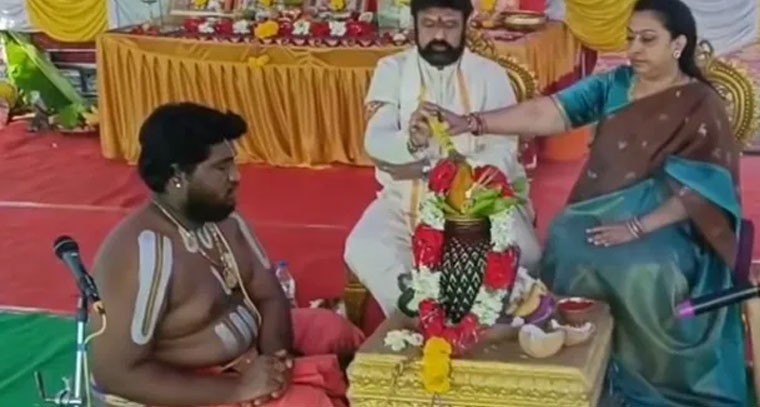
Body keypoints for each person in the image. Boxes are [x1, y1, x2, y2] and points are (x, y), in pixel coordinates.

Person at [417, 0, 748, 405]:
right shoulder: (614, 84)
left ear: (678, 44)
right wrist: (471, 122)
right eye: (630, 38)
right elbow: (548, 113)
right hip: (600, 207)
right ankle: (582, 371)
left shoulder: (701, 102)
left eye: (647, 40)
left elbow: (705, 190)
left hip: (670, 221)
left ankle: (647, 383)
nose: (634, 49)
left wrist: (637, 227)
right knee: (568, 242)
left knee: (645, 269)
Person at [88, 103, 365, 407]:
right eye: (221, 168)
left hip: (250, 354)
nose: (236, 176)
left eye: (232, 164)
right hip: (193, 389)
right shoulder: (143, 254)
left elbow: (270, 295)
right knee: (311, 402)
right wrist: (237, 389)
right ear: (178, 175)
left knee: (334, 331)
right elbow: (114, 373)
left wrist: (276, 361)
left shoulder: (223, 222)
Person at [343, 0, 541, 317]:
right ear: (414, 25)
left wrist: (458, 176)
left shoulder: (490, 74)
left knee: (522, 254)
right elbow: (375, 141)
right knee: (365, 247)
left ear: (465, 25)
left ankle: (477, 325)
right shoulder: (391, 70)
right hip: (403, 199)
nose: (439, 35)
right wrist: (412, 142)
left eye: (449, 25)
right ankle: (420, 318)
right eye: (429, 24)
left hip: (480, 200)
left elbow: (503, 148)